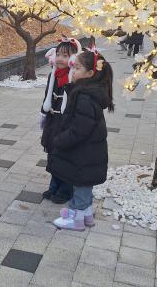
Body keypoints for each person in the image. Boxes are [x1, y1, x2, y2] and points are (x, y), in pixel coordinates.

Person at [49, 50, 114, 231]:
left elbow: (79, 129)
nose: (73, 72)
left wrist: (60, 140)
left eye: (77, 68)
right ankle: (86, 216)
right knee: (84, 185)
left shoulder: (85, 97)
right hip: (89, 153)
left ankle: (75, 219)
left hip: (84, 154)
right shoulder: (88, 93)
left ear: (90, 74)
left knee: (81, 185)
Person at [40, 38, 80, 204]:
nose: (60, 59)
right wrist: (44, 113)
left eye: (65, 55)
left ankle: (66, 189)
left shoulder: (75, 79)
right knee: (53, 155)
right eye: (58, 54)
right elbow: (46, 97)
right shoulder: (53, 75)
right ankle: (54, 185)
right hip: (53, 121)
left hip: (66, 124)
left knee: (65, 157)